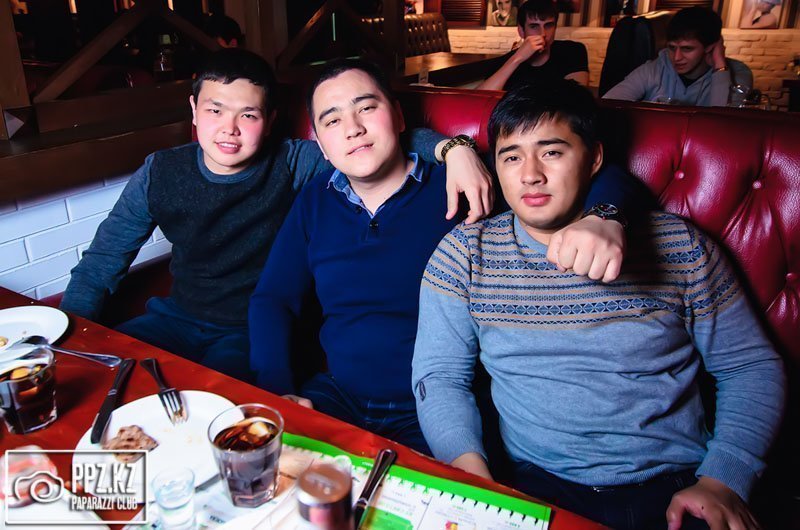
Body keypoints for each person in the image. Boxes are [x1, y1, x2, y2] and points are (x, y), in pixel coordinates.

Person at [412, 79, 785, 529]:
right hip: (533, 481)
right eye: (511, 157)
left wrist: (723, 479)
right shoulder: (465, 253)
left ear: (594, 159)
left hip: (677, 482)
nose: (530, 174)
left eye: (552, 152)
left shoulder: (680, 245)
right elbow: (440, 376)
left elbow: (749, 366)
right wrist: (468, 471)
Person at [249, 60, 641, 454]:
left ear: (398, 116)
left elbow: (598, 173)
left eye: (366, 108)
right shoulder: (316, 199)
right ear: (320, 143)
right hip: (339, 395)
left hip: (437, 406)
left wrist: (605, 216)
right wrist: (277, 388)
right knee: (266, 463)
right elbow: (273, 298)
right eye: (333, 121)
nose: (353, 128)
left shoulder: (462, 182)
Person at [59, 49, 494, 383]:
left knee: (218, 403)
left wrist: (453, 149)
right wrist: (64, 343)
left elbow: (374, 143)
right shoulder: (160, 172)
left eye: (247, 114)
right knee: (98, 375)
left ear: (269, 120)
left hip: (247, 331)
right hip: (173, 319)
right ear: (193, 110)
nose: (229, 128)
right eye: (214, 110)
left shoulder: (294, 160)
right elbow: (100, 265)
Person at [604, 7, 753, 106]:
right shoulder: (656, 67)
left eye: (687, 49)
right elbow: (608, 103)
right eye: (672, 47)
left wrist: (720, 68)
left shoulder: (738, 73)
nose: (676, 57)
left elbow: (723, 125)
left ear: (710, 47)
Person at [478, 0, 588, 91]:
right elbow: (479, 100)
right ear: (521, 31)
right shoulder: (504, 62)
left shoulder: (572, 51)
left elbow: (578, 99)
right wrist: (517, 59)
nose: (543, 34)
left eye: (548, 25)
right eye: (534, 26)